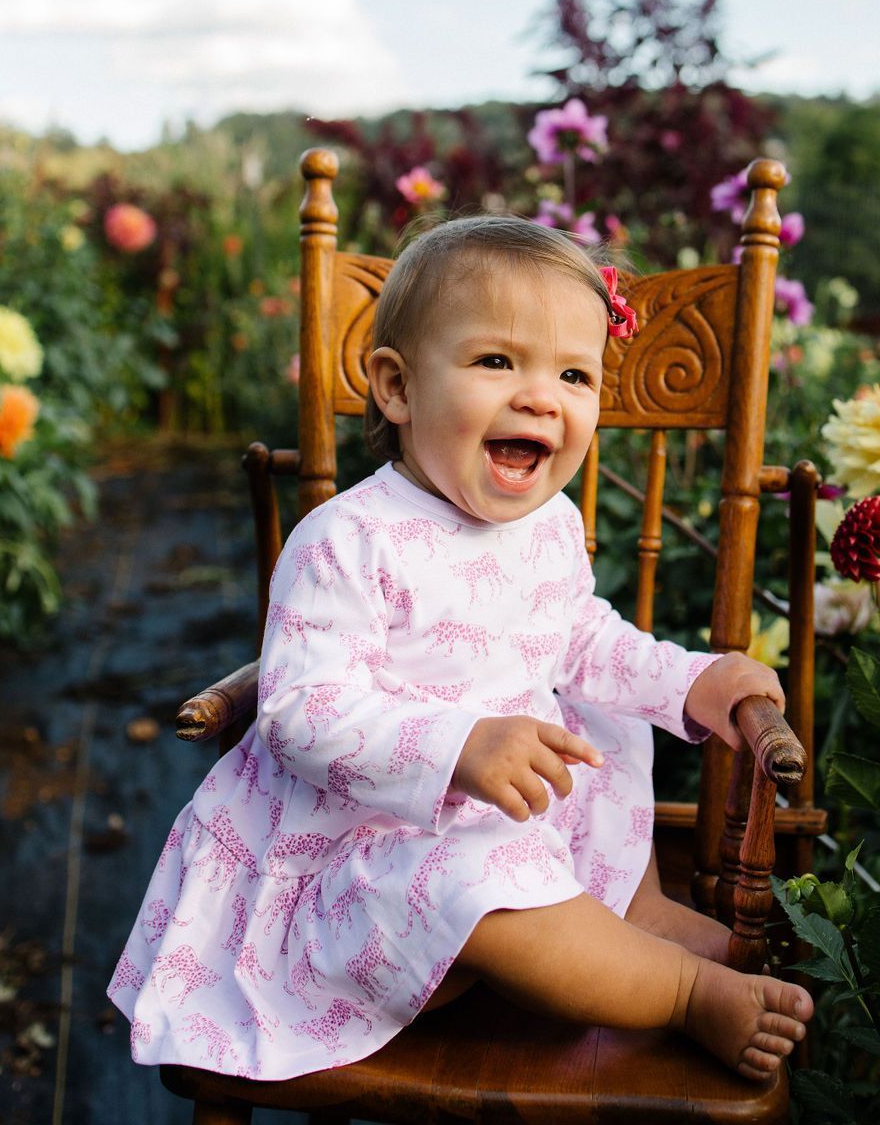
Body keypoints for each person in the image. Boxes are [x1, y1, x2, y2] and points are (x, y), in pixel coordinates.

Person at [109, 215, 812, 1084]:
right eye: (496, 362)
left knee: (595, 737)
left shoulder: (549, 523)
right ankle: (677, 995)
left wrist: (693, 681)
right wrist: (457, 749)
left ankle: (643, 923)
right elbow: (302, 713)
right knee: (469, 872)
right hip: (362, 868)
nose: (540, 397)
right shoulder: (347, 540)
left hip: (506, 823)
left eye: (573, 374)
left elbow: (580, 639)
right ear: (398, 387)